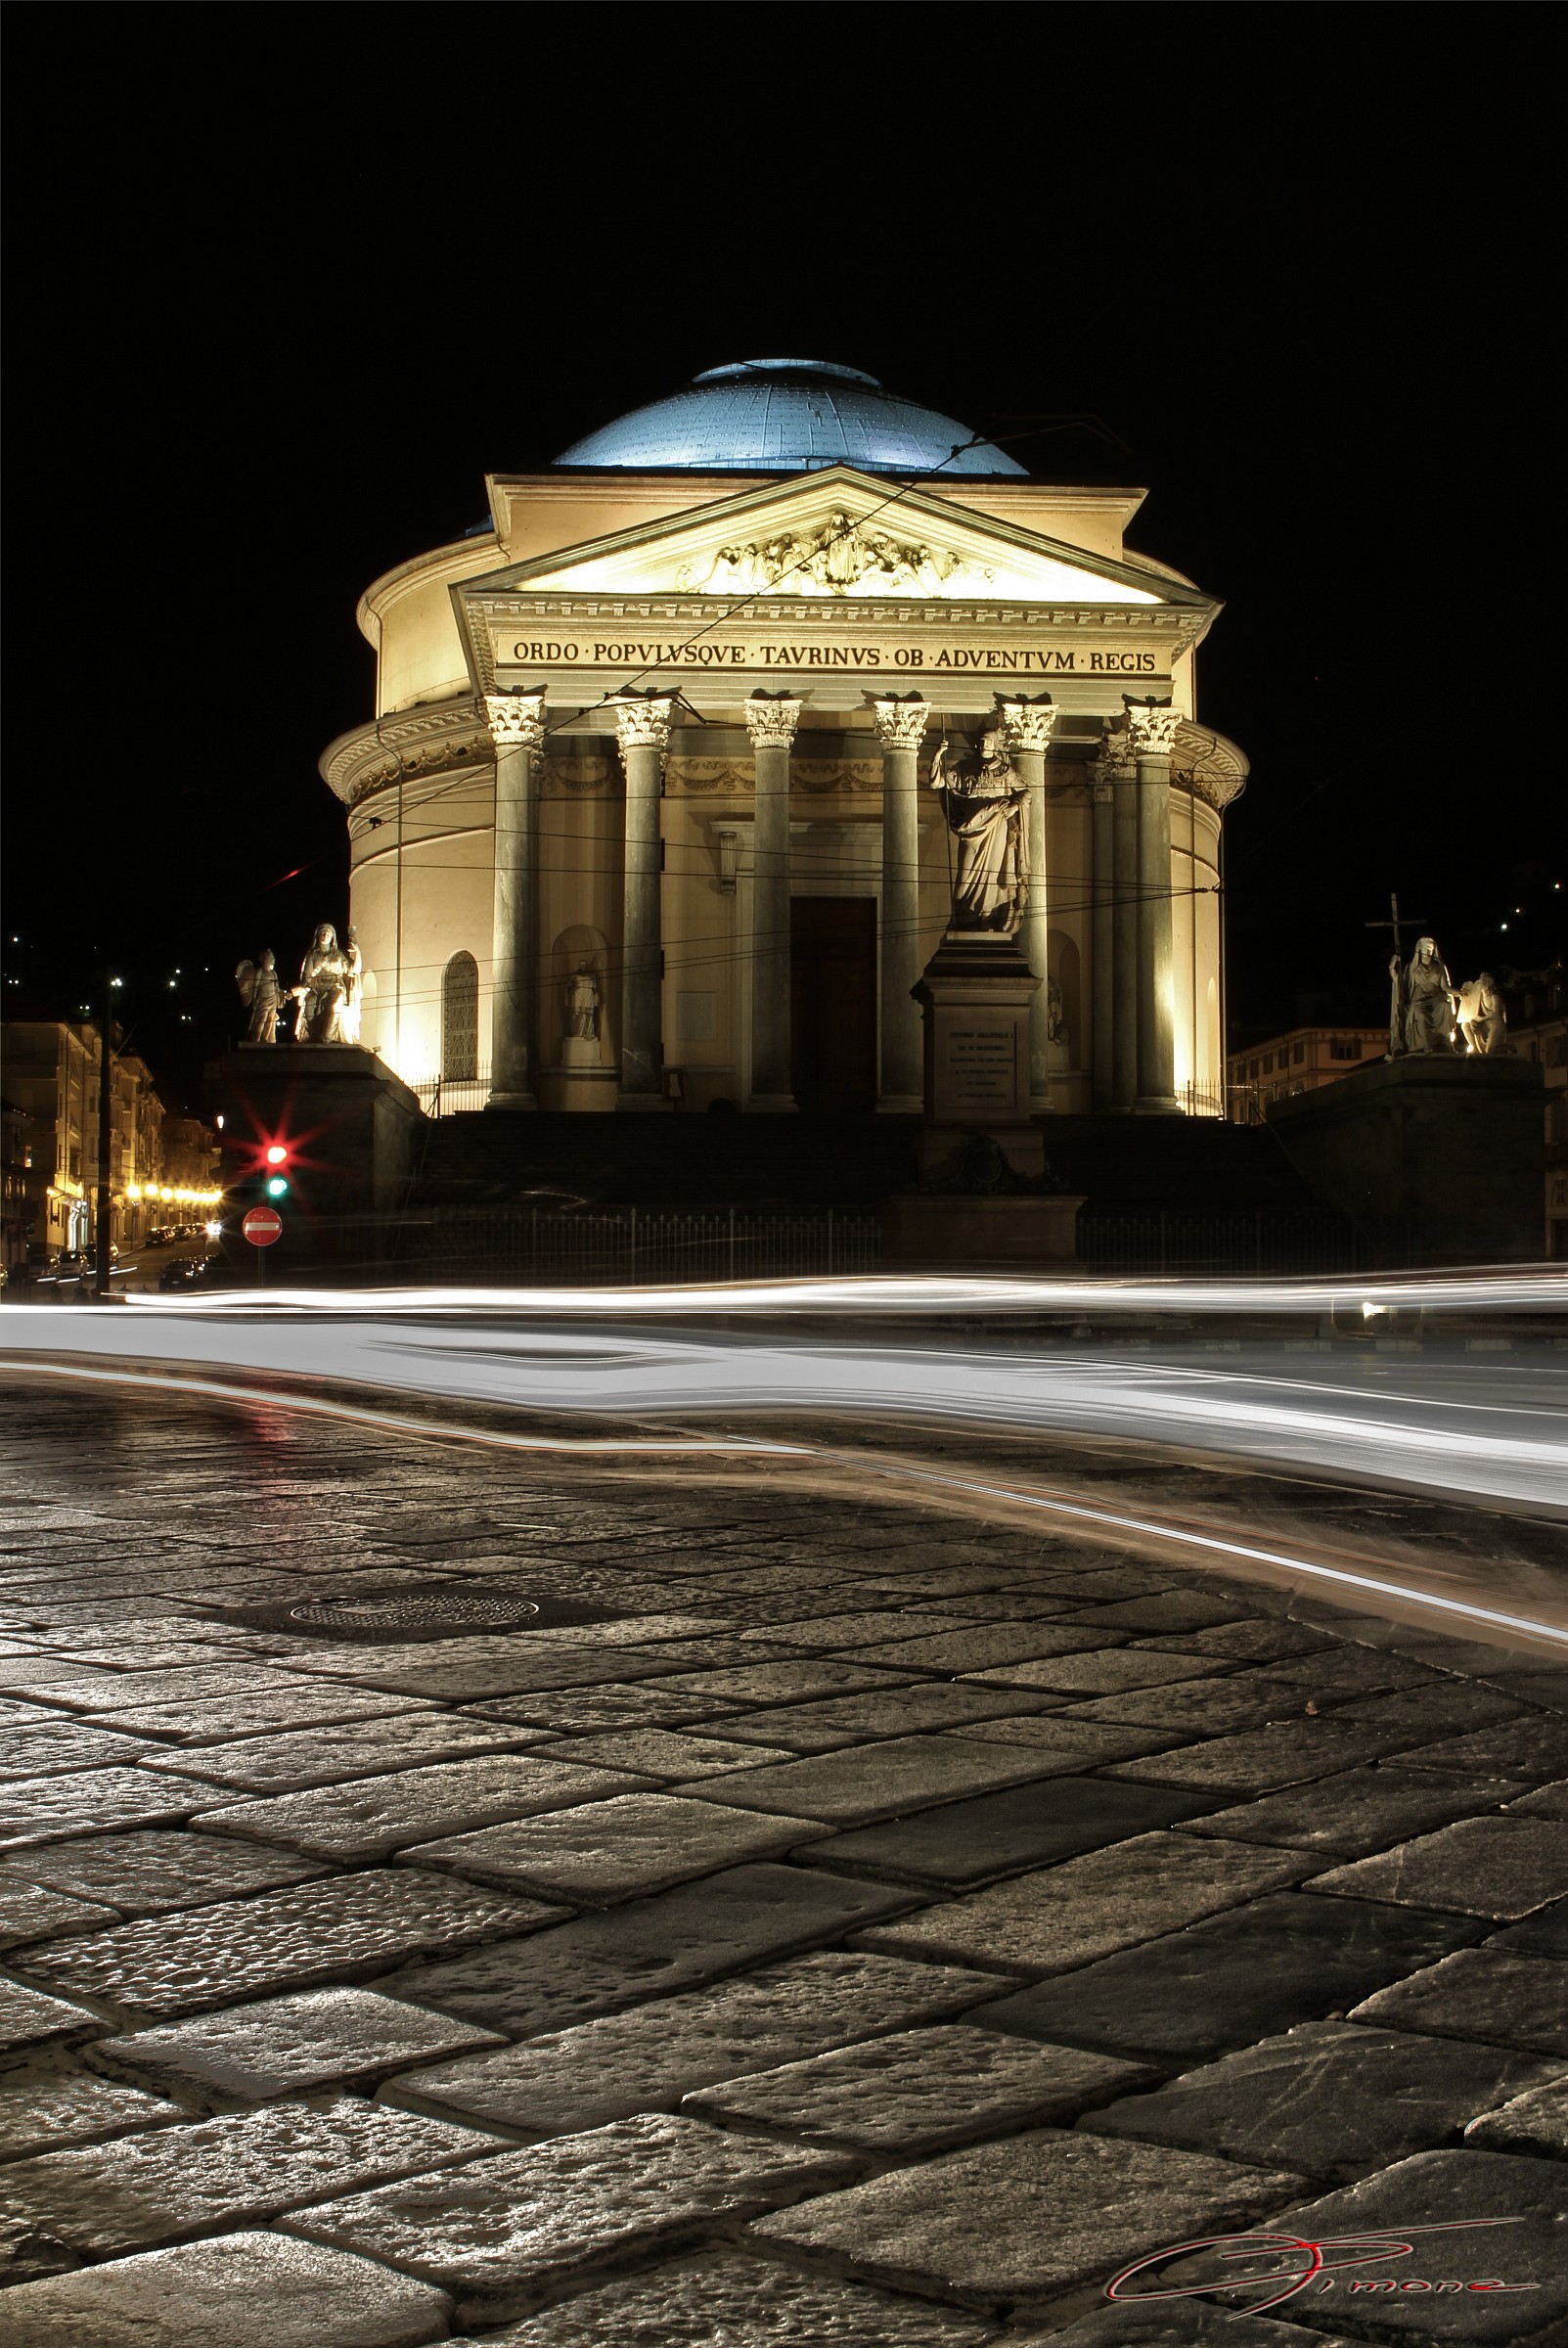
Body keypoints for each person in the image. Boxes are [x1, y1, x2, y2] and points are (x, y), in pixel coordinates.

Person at [929, 730, 1030, 932]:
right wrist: (938, 755)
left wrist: (1013, 806)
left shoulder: (1004, 770)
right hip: (971, 828)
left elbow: (1026, 791)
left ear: (995, 745)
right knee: (964, 878)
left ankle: (986, 919)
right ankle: (959, 918)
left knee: (992, 877)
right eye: (982, 741)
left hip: (997, 826)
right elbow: (937, 783)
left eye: (989, 741)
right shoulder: (965, 768)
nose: (985, 744)